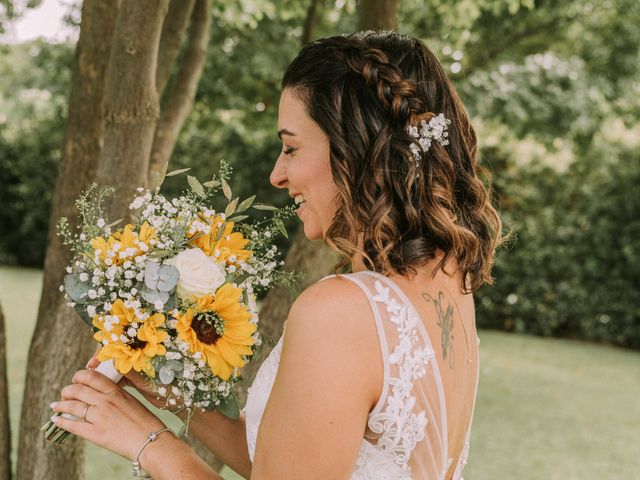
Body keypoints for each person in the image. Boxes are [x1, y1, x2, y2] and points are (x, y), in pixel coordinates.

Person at [50, 31, 502, 479]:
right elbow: (296, 461)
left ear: (357, 149)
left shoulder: (341, 312)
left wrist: (148, 442)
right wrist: (176, 397)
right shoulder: (446, 282)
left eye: (291, 147)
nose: (276, 175)